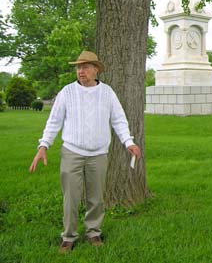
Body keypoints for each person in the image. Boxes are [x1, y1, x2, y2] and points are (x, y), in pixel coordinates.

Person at [29, 51, 142, 253]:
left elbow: (118, 120)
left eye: (86, 67)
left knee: (96, 197)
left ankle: (93, 232)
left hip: (98, 154)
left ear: (96, 69)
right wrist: (43, 145)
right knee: (71, 197)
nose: (81, 71)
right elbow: (54, 122)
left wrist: (128, 142)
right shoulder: (67, 92)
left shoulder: (107, 93)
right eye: (78, 67)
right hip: (72, 152)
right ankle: (68, 236)